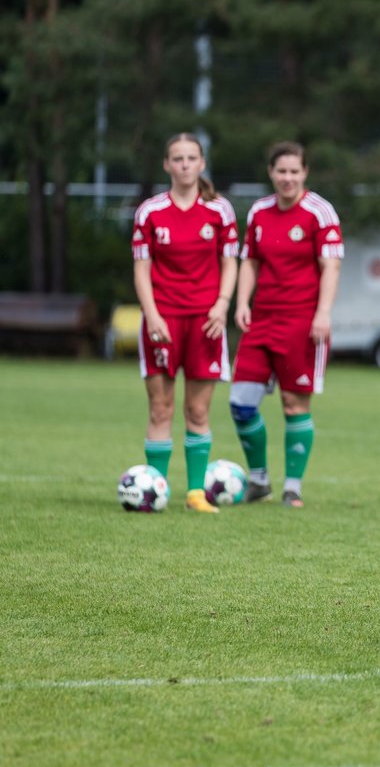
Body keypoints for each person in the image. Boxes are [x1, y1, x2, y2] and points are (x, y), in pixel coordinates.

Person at [230, 141, 343, 508]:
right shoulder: (260, 212)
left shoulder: (320, 212)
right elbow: (250, 262)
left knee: (294, 404)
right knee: (241, 404)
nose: (288, 178)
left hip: (301, 322)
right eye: (281, 171)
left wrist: (323, 312)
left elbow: (331, 266)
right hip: (261, 320)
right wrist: (242, 302)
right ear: (271, 173)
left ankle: (292, 486)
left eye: (295, 171)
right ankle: (259, 480)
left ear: (305, 173)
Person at [132, 133, 239, 514]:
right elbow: (141, 270)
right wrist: (153, 315)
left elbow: (230, 262)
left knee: (197, 411)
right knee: (160, 409)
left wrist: (222, 305)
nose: (184, 165)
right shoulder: (149, 212)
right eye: (177, 158)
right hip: (161, 321)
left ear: (202, 163)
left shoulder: (220, 211)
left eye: (191, 158)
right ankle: (154, 491)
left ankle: (196, 493)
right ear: (166, 164)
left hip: (205, 322)